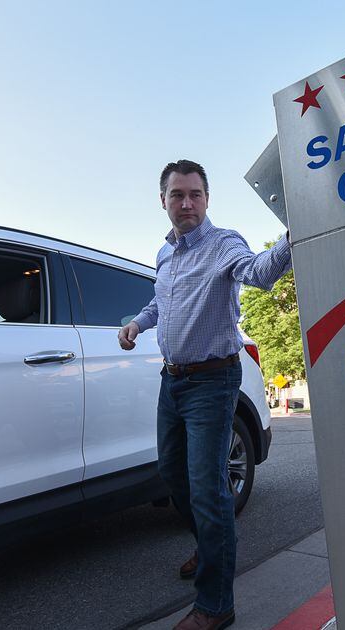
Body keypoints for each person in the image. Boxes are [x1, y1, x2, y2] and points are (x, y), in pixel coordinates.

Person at [118, 159, 291, 630]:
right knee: (172, 473)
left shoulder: (223, 244)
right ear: (163, 201)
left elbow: (256, 273)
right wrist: (137, 322)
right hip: (172, 381)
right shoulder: (164, 254)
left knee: (209, 489)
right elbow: (160, 302)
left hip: (213, 383)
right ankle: (211, 545)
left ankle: (216, 606)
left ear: (207, 199)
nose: (187, 203)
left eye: (195, 194)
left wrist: (295, 233)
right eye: (178, 195)